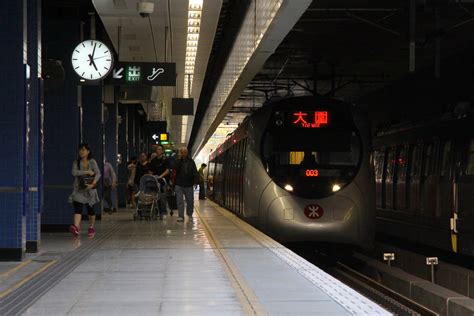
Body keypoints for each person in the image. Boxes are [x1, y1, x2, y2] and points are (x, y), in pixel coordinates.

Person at [69, 143, 101, 238]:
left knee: (90, 210)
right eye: (80, 150)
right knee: (78, 208)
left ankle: (91, 227)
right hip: (79, 189)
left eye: (83, 150)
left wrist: (93, 184)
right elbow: (74, 172)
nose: (81, 152)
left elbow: (98, 173)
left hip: (90, 190)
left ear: (88, 151)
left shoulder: (92, 162)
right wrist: (87, 171)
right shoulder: (76, 162)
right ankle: (76, 227)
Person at [173, 147, 198, 223]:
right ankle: (180, 216)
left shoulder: (191, 162)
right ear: (180, 153)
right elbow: (174, 170)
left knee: (190, 200)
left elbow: (195, 172)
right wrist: (179, 160)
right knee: (179, 201)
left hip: (189, 184)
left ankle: (189, 215)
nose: (183, 154)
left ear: (187, 153)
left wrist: (195, 182)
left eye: (185, 152)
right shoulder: (177, 161)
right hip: (179, 184)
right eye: (182, 152)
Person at [148, 145, 170, 219]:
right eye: (157, 149)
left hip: (163, 181)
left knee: (162, 197)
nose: (158, 151)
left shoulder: (166, 160)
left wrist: (161, 176)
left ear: (162, 151)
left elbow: (167, 170)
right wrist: (152, 176)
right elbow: (150, 170)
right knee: (154, 196)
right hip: (154, 181)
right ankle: (155, 211)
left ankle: (163, 212)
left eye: (160, 149)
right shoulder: (153, 160)